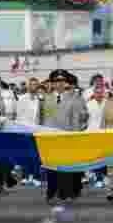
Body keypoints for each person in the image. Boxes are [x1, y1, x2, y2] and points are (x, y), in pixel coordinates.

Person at [40, 69, 88, 204]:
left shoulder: (73, 98)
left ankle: (65, 193)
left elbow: (76, 119)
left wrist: (75, 136)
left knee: (65, 167)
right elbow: (41, 118)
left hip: (67, 136)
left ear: (66, 83)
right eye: (56, 81)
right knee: (51, 167)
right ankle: (51, 193)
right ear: (52, 83)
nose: (59, 84)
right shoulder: (46, 99)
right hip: (49, 137)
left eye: (62, 81)